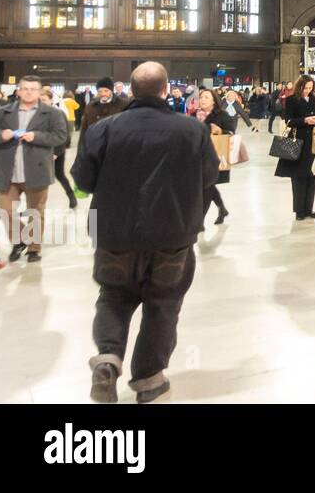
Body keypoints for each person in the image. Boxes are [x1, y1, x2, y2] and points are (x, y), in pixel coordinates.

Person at [73, 61, 220, 403]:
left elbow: (82, 180)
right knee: (163, 303)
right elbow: (209, 177)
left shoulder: (104, 129)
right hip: (173, 235)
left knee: (114, 296)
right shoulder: (192, 130)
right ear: (167, 91)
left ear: (131, 91)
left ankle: (108, 358)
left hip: (113, 233)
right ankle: (150, 378)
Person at [0, 76, 70, 263]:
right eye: (25, 88)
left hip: (36, 169)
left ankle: (34, 248)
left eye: (33, 89)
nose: (29, 92)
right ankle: (20, 240)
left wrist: (35, 136)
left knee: (35, 211)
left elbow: (60, 137)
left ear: (39, 91)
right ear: (18, 91)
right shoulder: (3, 112)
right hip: (7, 170)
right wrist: (1, 135)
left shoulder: (53, 113)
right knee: (5, 210)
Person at [274, 75, 315, 221]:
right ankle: (299, 210)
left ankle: (309, 209)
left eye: (310, 88)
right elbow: (288, 120)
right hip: (298, 141)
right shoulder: (291, 100)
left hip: (313, 143)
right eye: (305, 88)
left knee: (312, 176)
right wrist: (304, 120)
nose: (307, 91)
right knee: (298, 177)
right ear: (300, 86)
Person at [194, 88, 234, 225]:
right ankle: (222, 209)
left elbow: (232, 133)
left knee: (207, 187)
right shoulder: (194, 114)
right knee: (207, 186)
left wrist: (220, 130)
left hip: (215, 157)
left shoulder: (222, 115)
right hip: (196, 157)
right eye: (201, 97)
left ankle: (199, 221)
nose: (203, 100)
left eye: (206, 97)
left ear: (213, 101)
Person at [39, 89, 79, 209]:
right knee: (38, 177)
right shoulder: (36, 114)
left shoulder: (58, 114)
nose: (41, 102)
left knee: (59, 174)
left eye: (44, 100)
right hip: (40, 151)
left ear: (51, 100)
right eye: (39, 100)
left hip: (56, 150)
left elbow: (64, 135)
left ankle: (71, 196)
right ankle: (35, 204)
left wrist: (56, 153)